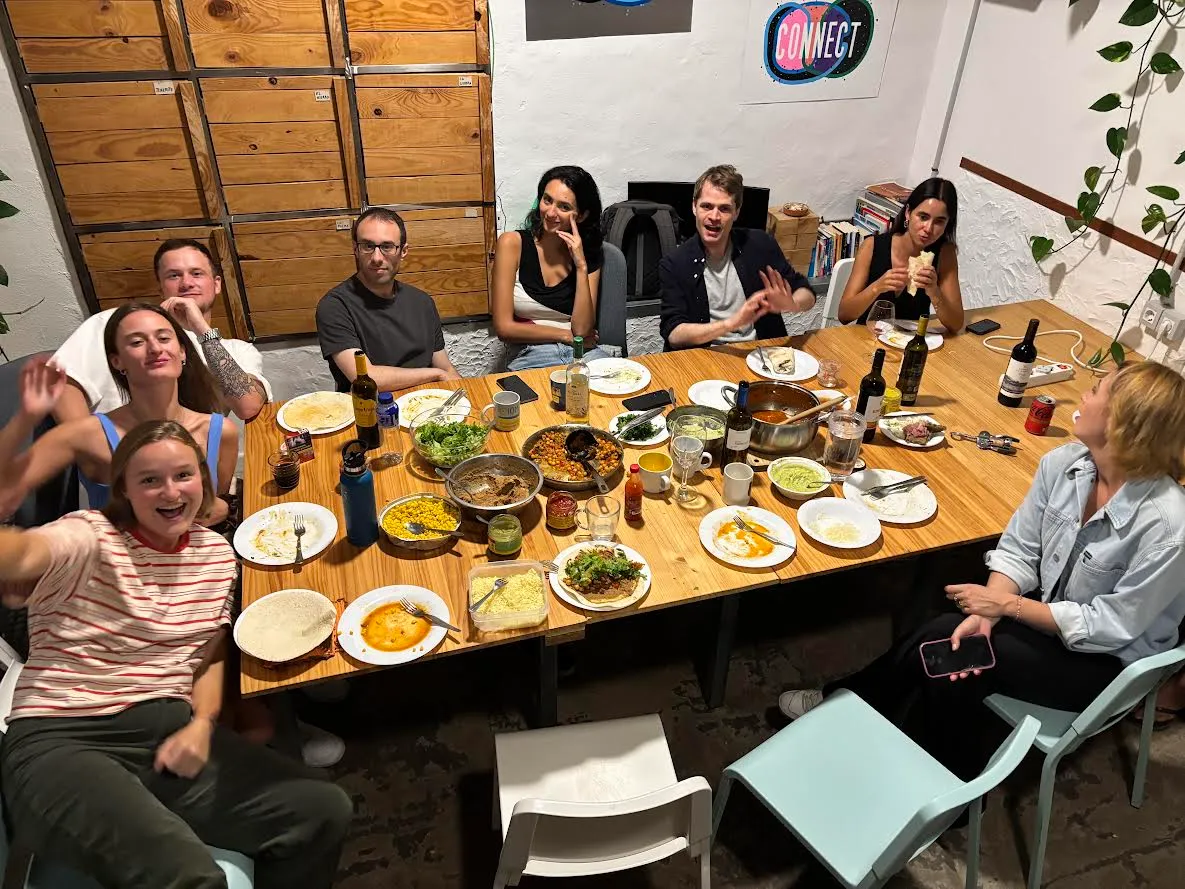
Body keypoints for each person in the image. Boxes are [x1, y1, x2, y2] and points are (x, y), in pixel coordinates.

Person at [778, 362, 1185, 781]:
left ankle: (850, 712)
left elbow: (1110, 628)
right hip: (1047, 620)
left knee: (947, 647)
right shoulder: (1064, 464)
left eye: (1098, 391)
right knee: (952, 657)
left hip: (1107, 665)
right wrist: (989, 611)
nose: (1085, 394)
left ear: (1125, 424)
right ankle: (930, 778)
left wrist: (1006, 606)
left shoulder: (1168, 524)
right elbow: (1020, 549)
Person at [0, 420, 352, 889]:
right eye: (149, 480)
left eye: (183, 475)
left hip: (165, 739)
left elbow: (207, 655)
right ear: (124, 489)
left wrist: (203, 724)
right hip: (64, 740)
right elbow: (21, 555)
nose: (170, 492)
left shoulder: (215, 556)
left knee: (322, 810)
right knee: (191, 878)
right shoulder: (89, 535)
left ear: (202, 483)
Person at [0, 304, 235, 525]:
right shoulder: (91, 434)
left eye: (164, 338)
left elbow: (218, 508)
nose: (155, 348)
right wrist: (25, 419)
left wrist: (224, 509)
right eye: (136, 342)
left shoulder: (220, 431)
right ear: (117, 361)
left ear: (182, 352)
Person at [51, 238, 271, 424]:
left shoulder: (238, 350)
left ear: (216, 284)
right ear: (161, 288)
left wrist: (201, 330)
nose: (186, 283)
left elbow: (248, 406)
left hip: (195, 465)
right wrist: (96, 456)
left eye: (196, 273)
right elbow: (59, 383)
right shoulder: (116, 324)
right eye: (173, 276)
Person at [660, 164, 815, 350]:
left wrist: (793, 304)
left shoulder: (760, 244)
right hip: (705, 356)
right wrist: (731, 323)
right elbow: (674, 334)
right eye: (706, 206)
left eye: (724, 208)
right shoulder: (675, 262)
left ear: (736, 212)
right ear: (694, 207)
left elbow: (805, 291)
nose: (714, 216)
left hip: (760, 353)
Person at [316, 207, 461, 392]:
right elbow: (365, 377)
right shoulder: (335, 306)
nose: (377, 258)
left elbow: (445, 367)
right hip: (369, 410)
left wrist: (466, 395)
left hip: (427, 404)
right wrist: (435, 374)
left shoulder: (422, 302)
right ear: (355, 249)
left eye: (387, 247)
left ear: (403, 251)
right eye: (368, 246)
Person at [491, 165, 613, 369]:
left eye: (564, 207)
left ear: (581, 216)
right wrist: (565, 335)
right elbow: (504, 328)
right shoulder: (512, 244)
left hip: (583, 352)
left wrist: (581, 266)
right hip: (530, 352)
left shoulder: (589, 251)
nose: (550, 212)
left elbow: (582, 330)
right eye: (547, 200)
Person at [838, 178, 965, 332]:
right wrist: (877, 287)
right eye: (923, 217)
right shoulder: (872, 246)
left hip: (911, 341)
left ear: (947, 224)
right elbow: (844, 315)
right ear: (908, 213)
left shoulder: (945, 253)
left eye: (939, 221)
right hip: (866, 338)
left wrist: (935, 293)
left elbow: (956, 324)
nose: (928, 228)